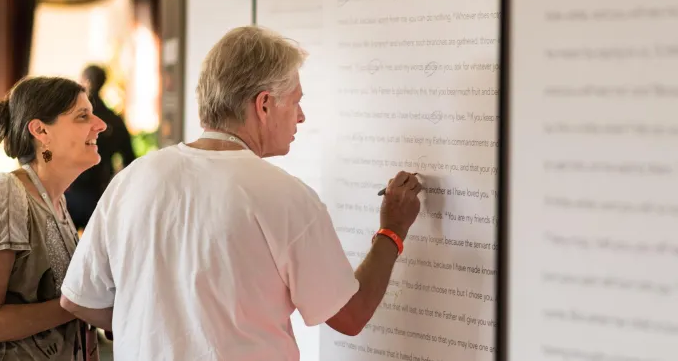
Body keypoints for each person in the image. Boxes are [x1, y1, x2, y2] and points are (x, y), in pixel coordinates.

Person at [59, 26, 424, 360]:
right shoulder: (286, 197)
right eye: (295, 102)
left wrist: (150, 326)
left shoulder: (132, 179)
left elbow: (78, 299)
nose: (301, 117)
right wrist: (392, 230)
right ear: (264, 105)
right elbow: (350, 315)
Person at [0, 76, 107, 360]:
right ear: (40, 131)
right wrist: (82, 303)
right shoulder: (6, 194)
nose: (101, 124)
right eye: (83, 116)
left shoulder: (57, 203)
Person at [65, 64, 136, 232]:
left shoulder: (68, 118)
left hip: (69, 192)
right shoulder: (114, 120)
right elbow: (130, 160)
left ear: (84, 82)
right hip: (100, 194)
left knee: (63, 253)